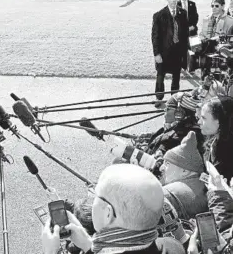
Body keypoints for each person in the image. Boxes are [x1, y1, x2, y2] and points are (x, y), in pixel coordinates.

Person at [41, 164, 186, 254]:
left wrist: (51, 251)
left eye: (96, 195)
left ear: (108, 213)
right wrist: (88, 245)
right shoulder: (173, 246)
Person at [152, 0, 189, 108]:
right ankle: (159, 98)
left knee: (176, 77)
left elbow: (185, 34)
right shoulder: (159, 15)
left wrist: (185, 52)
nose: (174, 0)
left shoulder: (183, 13)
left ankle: (174, 100)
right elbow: (155, 36)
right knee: (160, 76)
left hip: (177, 53)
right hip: (163, 53)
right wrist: (156, 53)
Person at [161, 131, 208, 220]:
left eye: (167, 164)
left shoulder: (168, 193)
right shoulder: (207, 186)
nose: (161, 168)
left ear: (184, 171)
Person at [198, 96, 233, 181]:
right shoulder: (212, 142)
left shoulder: (229, 153)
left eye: (203, 118)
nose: (199, 122)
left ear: (219, 121)